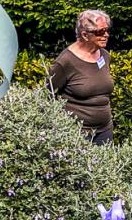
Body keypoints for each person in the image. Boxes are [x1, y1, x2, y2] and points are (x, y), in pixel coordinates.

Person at [47, 9, 115, 145]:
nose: (106, 35)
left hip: (104, 130)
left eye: (107, 30)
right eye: (100, 32)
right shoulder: (66, 61)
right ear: (85, 35)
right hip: (77, 133)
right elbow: (48, 93)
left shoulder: (104, 56)